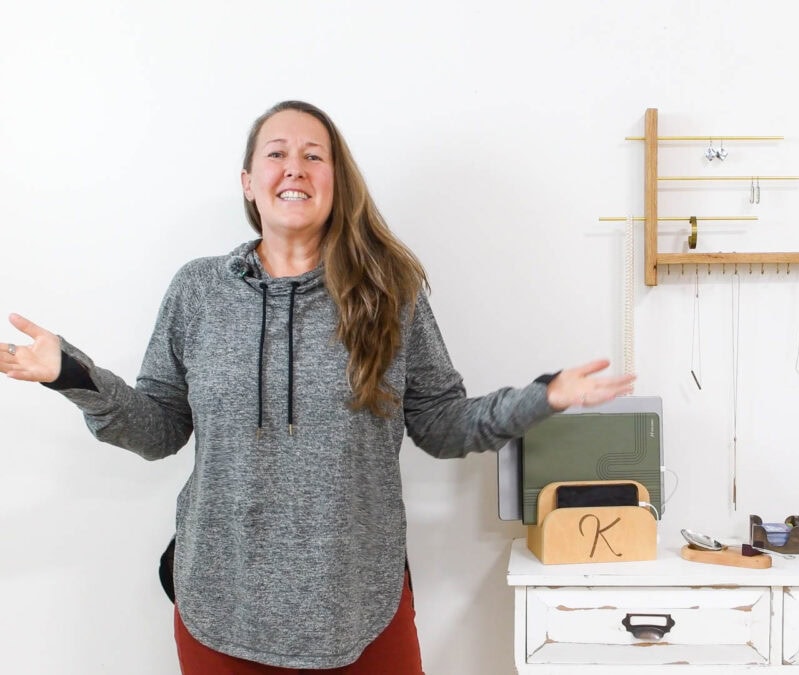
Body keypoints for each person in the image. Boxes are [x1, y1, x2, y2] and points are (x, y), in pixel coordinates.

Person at [0, 100, 635, 674]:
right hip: (220, 604)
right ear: (249, 183)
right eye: (276, 154)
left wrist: (543, 397)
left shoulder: (389, 290)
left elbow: (442, 425)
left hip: (361, 605)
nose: (294, 167)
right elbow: (160, 428)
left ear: (337, 180)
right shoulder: (197, 292)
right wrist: (71, 375)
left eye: (314, 155)